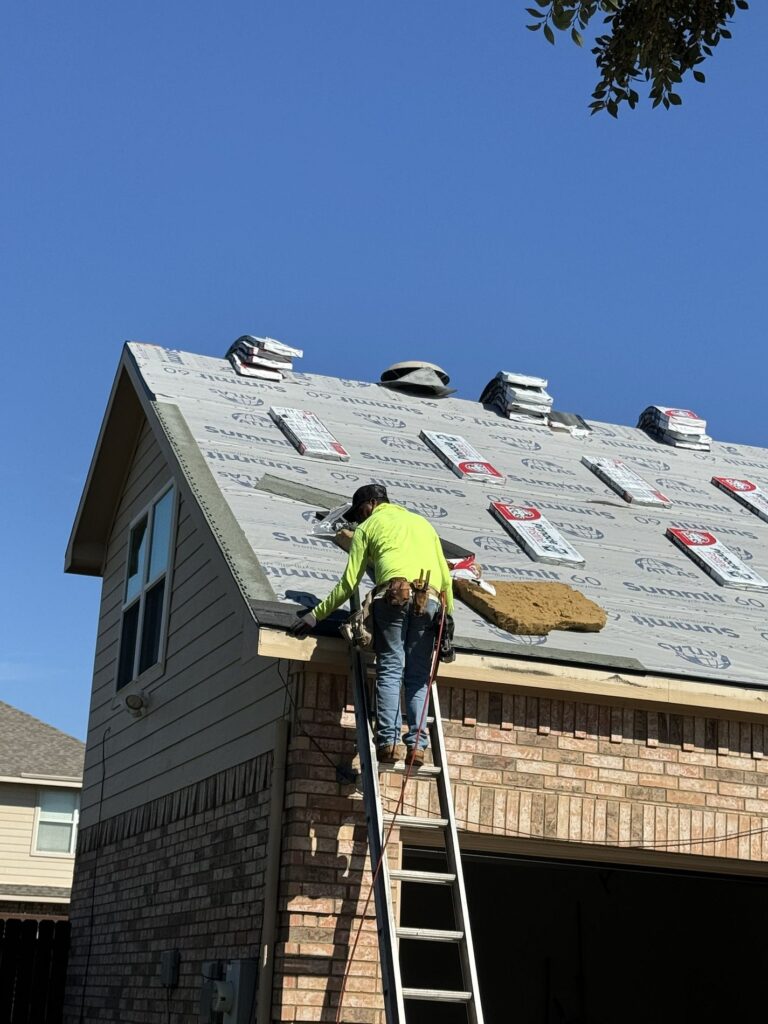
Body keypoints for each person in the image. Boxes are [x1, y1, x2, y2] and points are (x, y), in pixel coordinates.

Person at [288, 484, 454, 767]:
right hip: (430, 600)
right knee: (417, 676)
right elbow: (446, 579)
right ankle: (417, 746)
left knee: (390, 666)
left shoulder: (368, 527)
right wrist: (447, 620)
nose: (359, 519)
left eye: (360, 512)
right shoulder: (423, 524)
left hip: (393, 595)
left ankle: (388, 743)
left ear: (372, 504)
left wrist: (314, 616)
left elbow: (348, 582)